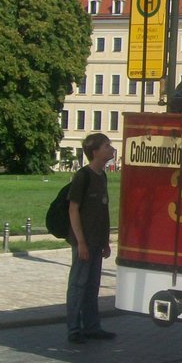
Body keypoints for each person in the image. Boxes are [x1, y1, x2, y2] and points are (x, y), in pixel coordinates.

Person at [65, 132, 116, 344]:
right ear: (95, 152)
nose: (111, 148)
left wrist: (105, 241)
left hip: (97, 241)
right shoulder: (83, 176)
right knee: (78, 284)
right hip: (83, 242)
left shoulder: (102, 176)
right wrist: (81, 242)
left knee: (93, 285)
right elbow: (73, 210)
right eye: (107, 145)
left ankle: (92, 326)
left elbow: (102, 211)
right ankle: (74, 329)